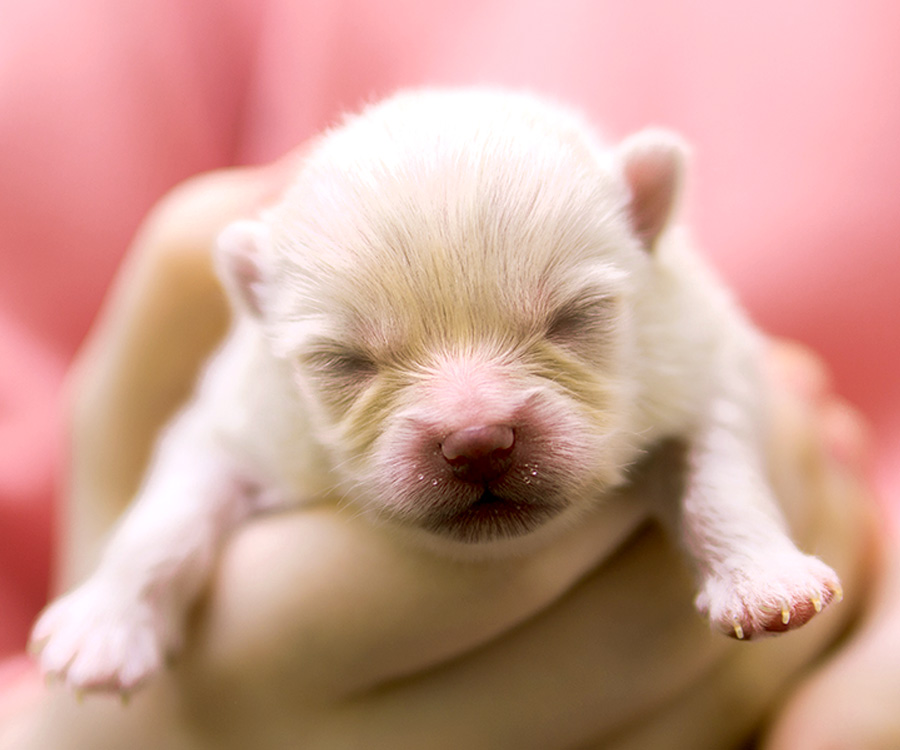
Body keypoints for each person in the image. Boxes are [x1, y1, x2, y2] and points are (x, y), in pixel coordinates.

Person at [2, 1, 899, 747]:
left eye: (570, 323)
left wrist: (746, 555)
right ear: (256, 296)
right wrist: (120, 615)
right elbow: (211, 460)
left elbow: (717, 405)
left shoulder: (676, 315)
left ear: (644, 217)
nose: (474, 428)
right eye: (351, 362)